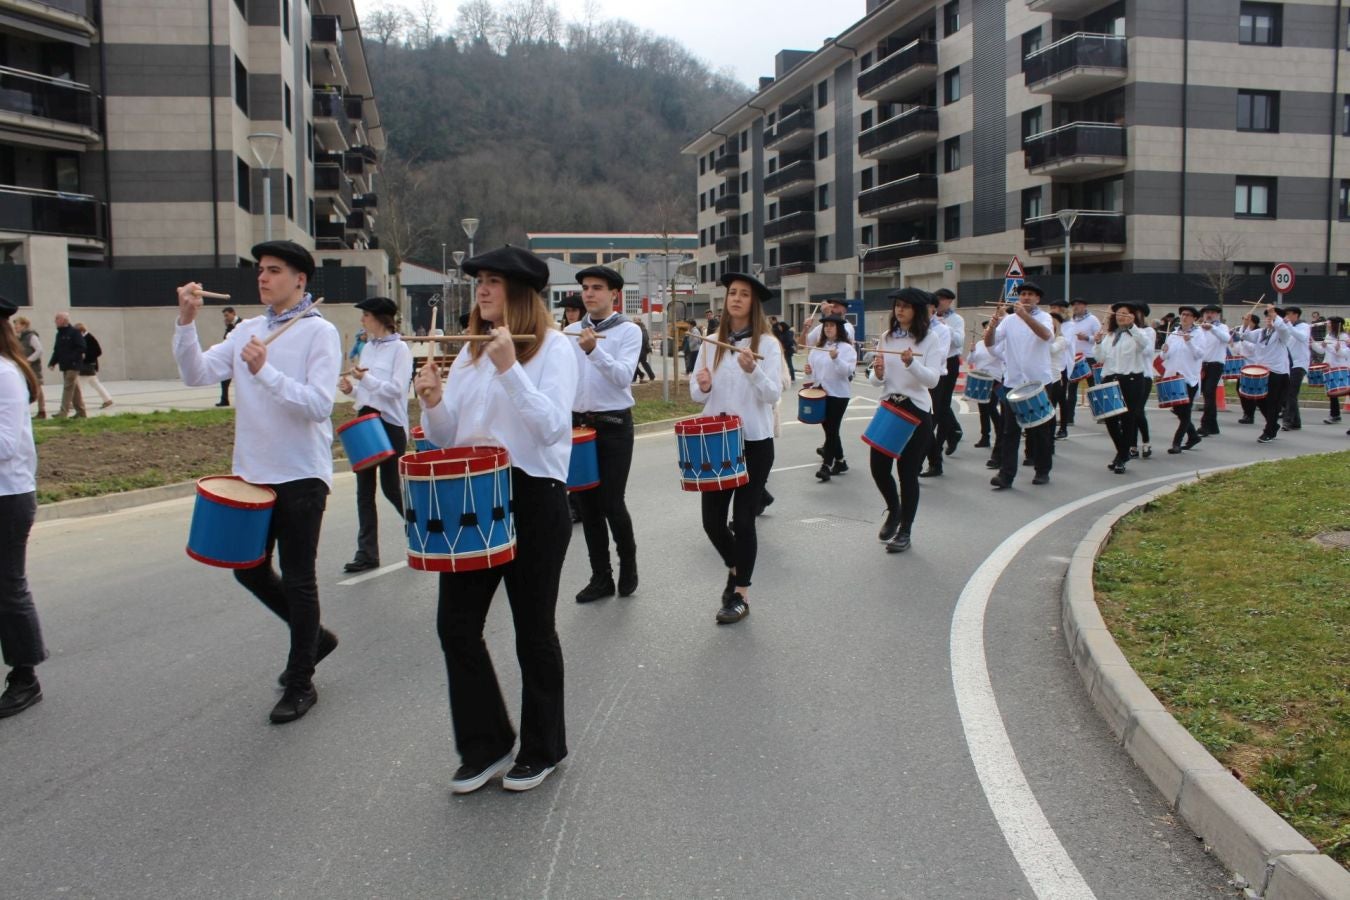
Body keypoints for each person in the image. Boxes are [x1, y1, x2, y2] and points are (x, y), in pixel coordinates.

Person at [412, 245, 578, 794]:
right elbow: (448, 435)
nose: (481, 290)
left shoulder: (554, 348)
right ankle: (485, 744)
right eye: (479, 281)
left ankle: (543, 748)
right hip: (473, 494)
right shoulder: (471, 353)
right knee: (455, 627)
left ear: (522, 293)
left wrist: (511, 369)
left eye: (493, 282)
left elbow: (552, 428)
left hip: (533, 495)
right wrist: (433, 401)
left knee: (533, 634)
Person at [173, 240, 342, 724]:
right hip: (253, 474)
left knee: (299, 576)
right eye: (260, 271)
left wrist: (264, 372)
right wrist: (185, 322)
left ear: (300, 280)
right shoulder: (249, 329)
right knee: (246, 568)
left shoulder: (319, 332)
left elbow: (318, 405)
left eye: (274, 270)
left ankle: (301, 679)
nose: (263, 278)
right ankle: (316, 640)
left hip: (301, 474)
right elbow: (196, 374)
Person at [690, 272, 782, 624]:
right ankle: (736, 566)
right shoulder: (711, 342)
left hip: (754, 442)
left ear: (753, 303)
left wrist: (753, 372)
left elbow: (772, 394)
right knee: (711, 523)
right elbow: (699, 395)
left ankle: (740, 594)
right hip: (716, 440)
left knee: (743, 521)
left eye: (744, 294)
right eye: (732, 293)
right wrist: (702, 384)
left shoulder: (768, 345)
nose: (737, 298)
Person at [565, 265, 642, 604]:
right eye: (585, 287)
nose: (589, 293)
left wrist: (593, 351)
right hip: (578, 427)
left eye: (597, 287)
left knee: (612, 502)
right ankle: (600, 576)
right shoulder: (569, 332)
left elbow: (623, 376)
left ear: (614, 294)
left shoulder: (629, 331)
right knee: (588, 506)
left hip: (613, 425)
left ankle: (628, 564)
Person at [339, 296, 412, 574]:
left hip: (389, 423)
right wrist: (352, 390)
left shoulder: (400, 350)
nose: (362, 320)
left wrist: (365, 379)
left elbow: (395, 390)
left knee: (391, 487)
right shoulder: (368, 348)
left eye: (366, 315)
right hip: (365, 419)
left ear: (380, 318)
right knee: (364, 490)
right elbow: (368, 391)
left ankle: (422, 531)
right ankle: (367, 552)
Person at [0, 296, 47, 718]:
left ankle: (25, 676)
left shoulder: (6, 374)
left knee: (8, 586)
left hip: (7, 497)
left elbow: (6, 445)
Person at [869, 289, 943, 552]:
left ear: (918, 311)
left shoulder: (930, 339)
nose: (899, 310)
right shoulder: (886, 337)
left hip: (917, 411)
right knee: (878, 467)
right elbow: (877, 379)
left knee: (907, 473)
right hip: (890, 406)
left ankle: (905, 532)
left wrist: (912, 364)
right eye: (897, 305)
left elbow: (932, 380)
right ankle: (894, 509)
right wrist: (876, 373)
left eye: (906, 306)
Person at [985, 281, 1055, 489]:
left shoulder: (1045, 318)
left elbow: (1046, 336)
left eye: (1030, 295)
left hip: (1038, 382)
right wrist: (992, 326)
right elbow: (990, 343)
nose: (1025, 298)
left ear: (1037, 299)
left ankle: (1042, 470)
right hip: (1013, 382)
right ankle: (1006, 475)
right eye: (1022, 294)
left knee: (1040, 431)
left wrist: (1025, 316)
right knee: (1009, 432)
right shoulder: (1009, 321)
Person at [1094, 303, 1151, 474]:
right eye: (1118, 313)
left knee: (1128, 420)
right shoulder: (1111, 335)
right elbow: (1100, 358)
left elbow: (1144, 345)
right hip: (1110, 378)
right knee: (1110, 419)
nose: (1120, 316)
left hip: (1131, 380)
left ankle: (1121, 457)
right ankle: (1123, 452)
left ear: (1133, 316)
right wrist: (1097, 343)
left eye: (1125, 313)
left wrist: (1132, 326)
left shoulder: (1139, 333)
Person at [805, 313, 856, 481]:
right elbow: (815, 372)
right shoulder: (818, 348)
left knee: (832, 429)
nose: (828, 328)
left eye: (831, 325)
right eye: (826, 326)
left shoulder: (847, 348)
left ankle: (826, 466)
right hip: (821, 392)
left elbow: (847, 372)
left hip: (839, 393)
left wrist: (836, 359)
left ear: (838, 328)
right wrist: (809, 372)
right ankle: (840, 461)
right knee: (830, 429)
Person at [1236, 304, 1295, 443]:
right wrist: (1245, 324)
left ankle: (1269, 431)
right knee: (1260, 400)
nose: (1269, 319)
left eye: (1272, 317)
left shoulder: (1282, 333)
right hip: (1262, 371)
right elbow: (1245, 336)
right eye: (1267, 317)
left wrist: (1275, 314)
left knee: (1273, 403)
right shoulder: (1261, 332)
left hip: (1278, 373)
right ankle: (1272, 424)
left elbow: (1282, 329)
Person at [1159, 305, 1213, 454]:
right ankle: (1193, 436)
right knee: (1178, 410)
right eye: (1183, 314)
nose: (1184, 317)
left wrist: (1189, 342)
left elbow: (1199, 355)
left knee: (1185, 412)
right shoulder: (1173, 334)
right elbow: (1165, 357)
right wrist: (1164, 351)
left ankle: (1177, 442)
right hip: (1173, 377)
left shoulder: (1199, 334)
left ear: (1194, 318)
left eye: (1188, 315)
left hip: (1189, 378)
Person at [922, 287, 964, 474]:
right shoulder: (924, 322)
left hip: (948, 364)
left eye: (943, 300)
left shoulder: (955, 320)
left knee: (939, 408)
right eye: (936, 300)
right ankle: (953, 431)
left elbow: (958, 342)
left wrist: (944, 325)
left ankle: (937, 451)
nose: (939, 303)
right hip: (927, 367)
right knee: (938, 409)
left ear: (949, 302)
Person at [1061, 297, 1100, 431]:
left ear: (1085, 306)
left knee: (1094, 387)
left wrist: (1087, 338)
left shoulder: (1093, 320)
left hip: (1089, 357)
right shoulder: (1070, 321)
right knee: (1071, 389)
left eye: (1079, 304)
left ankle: (1101, 414)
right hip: (1074, 358)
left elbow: (1099, 337)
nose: (1076, 307)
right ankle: (1069, 418)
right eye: (1074, 305)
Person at [966, 325, 1003, 453]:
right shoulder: (980, 343)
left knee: (991, 407)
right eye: (985, 329)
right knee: (983, 409)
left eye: (988, 330)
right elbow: (970, 361)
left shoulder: (999, 344)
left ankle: (1000, 434)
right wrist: (971, 351)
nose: (986, 332)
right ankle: (985, 437)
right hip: (980, 377)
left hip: (994, 377)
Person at [1196, 304, 1230, 436]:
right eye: (1206, 313)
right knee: (1207, 394)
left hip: (1216, 364)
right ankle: (1213, 426)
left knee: (1209, 392)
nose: (1209, 315)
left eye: (1212, 313)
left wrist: (1212, 328)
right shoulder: (1199, 329)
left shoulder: (1221, 327)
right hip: (1203, 365)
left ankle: (1205, 425)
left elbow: (1227, 339)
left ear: (1217, 315)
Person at [47, 311, 85, 418]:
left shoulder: (74, 332)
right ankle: (81, 413)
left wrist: (72, 357)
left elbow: (82, 347)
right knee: (75, 389)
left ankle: (63, 412)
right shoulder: (59, 334)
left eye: (57, 318)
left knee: (67, 388)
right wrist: (52, 362)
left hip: (73, 365)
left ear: (63, 320)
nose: (55, 321)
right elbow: (57, 350)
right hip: (65, 366)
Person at [1279, 306, 1311, 431]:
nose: (1286, 317)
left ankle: (1288, 421)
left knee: (1291, 393)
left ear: (1296, 315)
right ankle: (1296, 421)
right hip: (1288, 364)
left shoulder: (1304, 326)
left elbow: (1302, 337)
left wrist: (1289, 326)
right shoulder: (1287, 327)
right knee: (1286, 393)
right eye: (1285, 314)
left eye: (1288, 314)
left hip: (1299, 364)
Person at [1311, 317, 1346, 426]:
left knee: (1343, 392)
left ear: (1336, 324)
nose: (1328, 324)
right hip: (1329, 366)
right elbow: (1321, 351)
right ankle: (1335, 415)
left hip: (1340, 368)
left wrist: (1338, 349)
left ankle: (1335, 415)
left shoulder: (1344, 337)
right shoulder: (1329, 335)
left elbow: (1343, 354)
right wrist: (1312, 342)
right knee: (1332, 393)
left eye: (1330, 323)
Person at [11, 317, 45, 419]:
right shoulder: (18, 338)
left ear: (24, 325)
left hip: (33, 368)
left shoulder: (31, 337)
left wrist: (28, 360)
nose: (15, 327)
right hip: (24, 368)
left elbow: (39, 350)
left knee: (37, 388)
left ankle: (42, 411)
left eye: (17, 325)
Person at [74, 323, 114, 409]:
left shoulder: (89, 338)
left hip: (87, 365)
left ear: (81, 331)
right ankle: (107, 400)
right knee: (95, 383)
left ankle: (75, 402)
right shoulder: (84, 337)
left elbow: (98, 351)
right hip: (88, 366)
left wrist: (85, 356)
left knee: (79, 385)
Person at [218, 307, 239, 407]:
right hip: (231, 356)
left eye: (227, 315)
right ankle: (224, 399)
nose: (226, 318)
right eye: (224, 316)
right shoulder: (230, 325)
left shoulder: (241, 323)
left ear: (233, 313)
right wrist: (227, 327)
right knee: (224, 378)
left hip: (240, 356)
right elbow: (226, 338)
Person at [632, 318, 655, 383]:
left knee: (634, 364)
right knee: (643, 363)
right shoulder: (641, 329)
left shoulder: (642, 330)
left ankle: (636, 377)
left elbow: (645, 339)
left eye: (635, 322)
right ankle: (650, 375)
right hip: (641, 349)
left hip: (641, 350)